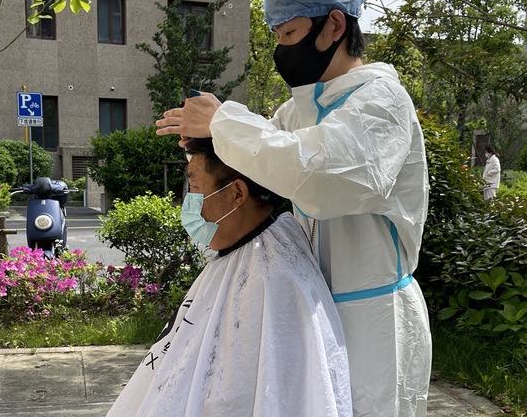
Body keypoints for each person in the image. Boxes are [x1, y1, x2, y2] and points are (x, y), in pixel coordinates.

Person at [156, 0, 431, 417]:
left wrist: (223, 122)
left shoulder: (382, 102)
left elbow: (320, 179)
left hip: (373, 321)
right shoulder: (298, 110)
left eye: (289, 34)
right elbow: (262, 165)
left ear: (334, 25)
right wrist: (209, 143)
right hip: (309, 307)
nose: (281, 49)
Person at [106, 138, 352, 417]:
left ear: (237, 193)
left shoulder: (275, 278)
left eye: (195, 189)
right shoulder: (249, 247)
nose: (190, 205)